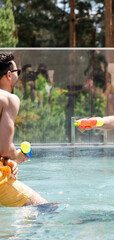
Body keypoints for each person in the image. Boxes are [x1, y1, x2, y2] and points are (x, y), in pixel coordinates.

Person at [0, 52, 48, 207]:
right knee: (45, 208)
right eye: (17, 72)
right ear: (9, 75)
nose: (18, 77)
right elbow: (5, 148)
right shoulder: (8, 99)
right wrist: (19, 157)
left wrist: (7, 161)